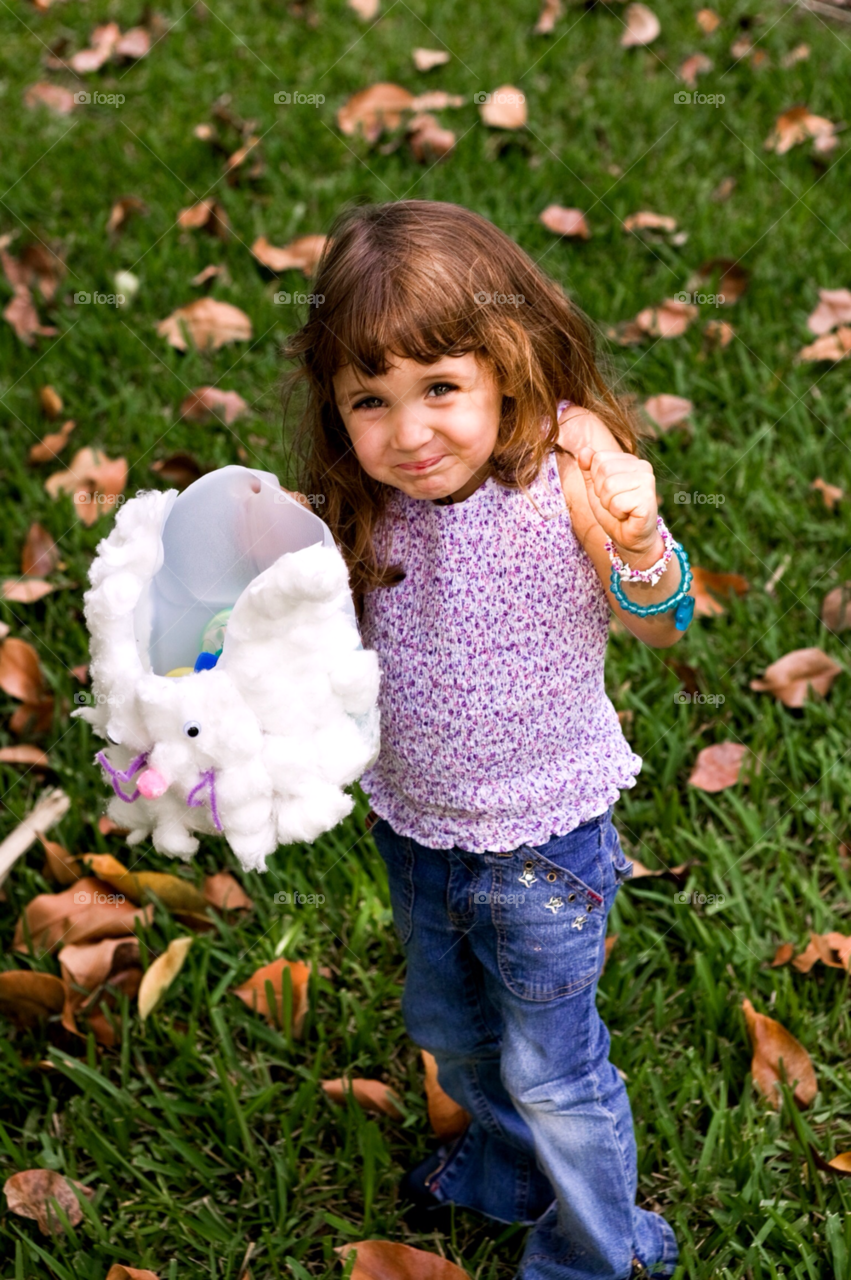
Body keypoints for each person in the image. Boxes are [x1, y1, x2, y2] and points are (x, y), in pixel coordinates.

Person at [283, 200, 690, 1280]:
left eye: (439, 389)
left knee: (554, 1067)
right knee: (454, 1035)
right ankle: (508, 1173)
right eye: (370, 399)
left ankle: (598, 1252)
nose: (408, 432)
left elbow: (656, 621)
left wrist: (641, 539)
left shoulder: (562, 483)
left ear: (506, 366)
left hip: (542, 847)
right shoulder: (359, 505)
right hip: (416, 832)